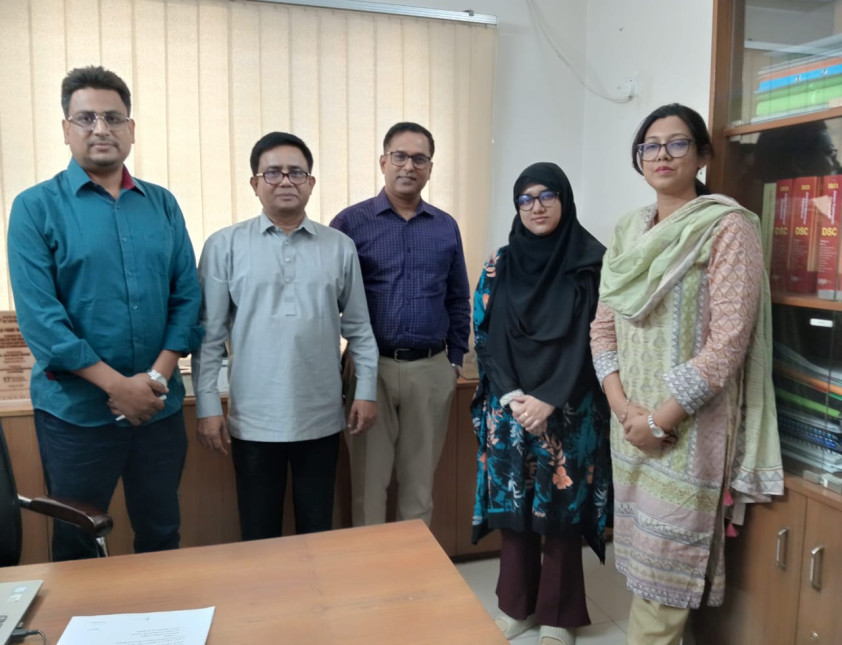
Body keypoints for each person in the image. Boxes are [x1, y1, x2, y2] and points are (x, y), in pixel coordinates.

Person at [590, 103, 783, 645]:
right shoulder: (628, 230)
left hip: (686, 432)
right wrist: (624, 409)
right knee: (641, 567)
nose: (662, 155)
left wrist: (659, 420)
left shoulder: (727, 228)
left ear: (702, 155)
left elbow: (728, 344)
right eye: (650, 145)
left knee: (664, 578)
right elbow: (602, 328)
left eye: (677, 143)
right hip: (630, 427)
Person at [7, 65, 203, 561]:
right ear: (66, 128)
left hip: (158, 411)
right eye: (86, 118)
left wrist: (153, 381)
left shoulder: (162, 204)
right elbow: (42, 321)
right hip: (76, 416)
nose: (101, 129)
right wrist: (118, 387)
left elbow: (187, 298)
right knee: (77, 542)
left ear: (130, 129)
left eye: (113, 118)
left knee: (162, 534)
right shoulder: (34, 208)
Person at [192, 132, 378, 538]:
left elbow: (360, 329)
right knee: (259, 533)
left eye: (297, 172)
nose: (286, 181)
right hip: (254, 419)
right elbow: (208, 336)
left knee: (317, 528)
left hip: (322, 415)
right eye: (273, 173)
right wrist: (207, 405)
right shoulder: (224, 245)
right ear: (255, 183)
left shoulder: (339, 247)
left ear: (311, 182)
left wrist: (366, 391)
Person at [472, 163, 612, 645]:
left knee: (561, 513)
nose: (536, 206)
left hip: (569, 411)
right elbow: (483, 336)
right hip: (511, 410)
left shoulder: (592, 264)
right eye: (525, 198)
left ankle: (557, 615)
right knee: (516, 513)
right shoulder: (499, 264)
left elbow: (598, 339)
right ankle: (517, 608)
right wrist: (514, 396)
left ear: (564, 199)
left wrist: (550, 399)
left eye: (547, 195)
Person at [330, 122, 470, 527]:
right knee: (367, 487)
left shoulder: (445, 226)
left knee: (419, 488)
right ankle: (369, 566)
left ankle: (414, 566)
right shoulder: (350, 224)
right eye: (400, 156)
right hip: (368, 369)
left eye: (419, 159)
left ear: (430, 168)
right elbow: (327, 300)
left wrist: (455, 360)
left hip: (430, 369)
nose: (409, 166)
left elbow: (457, 298)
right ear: (383, 161)